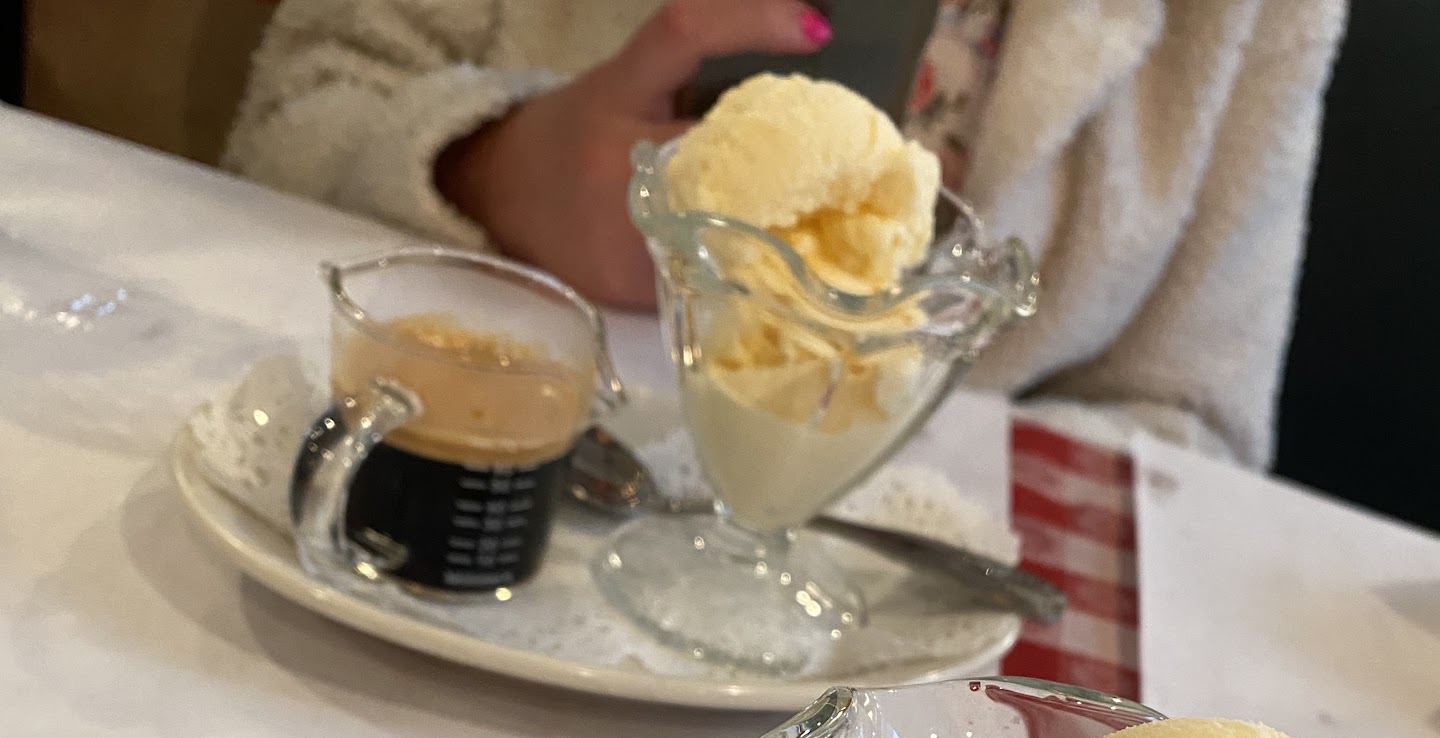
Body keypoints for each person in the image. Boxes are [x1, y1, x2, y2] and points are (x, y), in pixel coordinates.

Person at [225, 0, 1348, 467]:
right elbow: (286, 125)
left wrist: (891, 464)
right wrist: (488, 167)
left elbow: (1191, 424)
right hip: (459, 472)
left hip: (899, 684)